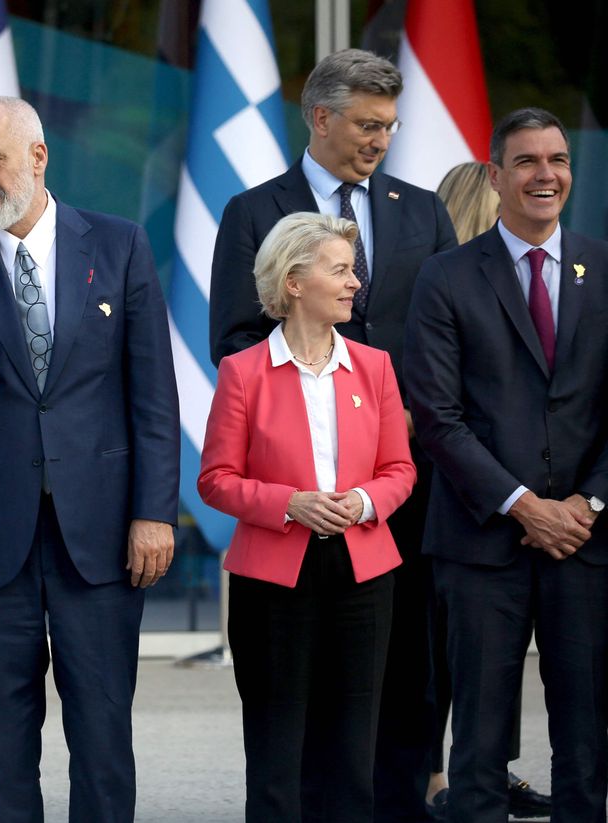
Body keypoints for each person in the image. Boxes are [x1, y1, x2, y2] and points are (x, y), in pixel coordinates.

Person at [0, 96, 180, 823]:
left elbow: (153, 395)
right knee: (0, 740)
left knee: (102, 734)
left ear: (38, 156)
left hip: (101, 537)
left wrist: (154, 512)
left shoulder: (119, 246)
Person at [208, 48, 457, 821]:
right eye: (366, 124)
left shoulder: (422, 210)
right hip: (299, 482)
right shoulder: (254, 211)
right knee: (297, 690)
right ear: (321, 117)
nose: (381, 139)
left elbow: (452, 335)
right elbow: (234, 337)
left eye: (389, 125)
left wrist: (409, 414)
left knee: (407, 665)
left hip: (402, 477)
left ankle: (398, 806)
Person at [404, 107, 608, 823]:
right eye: (526, 161)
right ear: (496, 176)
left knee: (587, 743)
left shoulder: (604, 266)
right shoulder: (446, 275)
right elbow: (436, 415)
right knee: (481, 746)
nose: (544, 174)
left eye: (556, 159)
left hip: (586, 545)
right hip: (480, 542)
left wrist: (587, 504)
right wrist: (524, 503)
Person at [199, 212, 415, 822]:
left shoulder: (375, 367)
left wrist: (366, 502)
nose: (354, 284)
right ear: (294, 282)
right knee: (275, 745)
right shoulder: (242, 373)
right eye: (340, 270)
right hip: (272, 579)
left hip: (364, 573)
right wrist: (288, 504)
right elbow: (215, 480)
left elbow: (401, 468)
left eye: (353, 271)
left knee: (351, 747)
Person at [423, 162, 550, 821]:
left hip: (501, 491)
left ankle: (478, 773)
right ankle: (444, 777)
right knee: (453, 652)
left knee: (478, 654)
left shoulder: (541, 277)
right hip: (447, 489)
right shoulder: (448, 279)